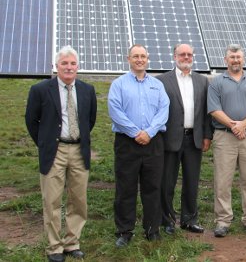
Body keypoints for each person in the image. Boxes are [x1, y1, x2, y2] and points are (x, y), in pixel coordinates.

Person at [25, 46, 97, 262]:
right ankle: (54, 247)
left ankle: (72, 243)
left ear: (77, 66)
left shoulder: (87, 90)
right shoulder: (40, 89)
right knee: (52, 200)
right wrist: (45, 143)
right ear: (56, 66)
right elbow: (31, 120)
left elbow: (89, 120)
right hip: (53, 151)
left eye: (72, 63)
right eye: (64, 63)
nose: (68, 67)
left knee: (78, 200)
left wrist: (78, 139)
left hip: (78, 150)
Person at [108, 45, 169, 247]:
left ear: (148, 59)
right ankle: (125, 231)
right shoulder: (118, 84)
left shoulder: (157, 85)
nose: (140, 59)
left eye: (143, 56)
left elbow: (164, 110)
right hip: (127, 143)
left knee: (153, 186)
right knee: (126, 187)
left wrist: (149, 132)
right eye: (136, 56)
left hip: (153, 142)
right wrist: (136, 133)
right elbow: (115, 110)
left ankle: (152, 229)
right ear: (129, 59)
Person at [207, 44, 246, 238]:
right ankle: (223, 221)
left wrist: (243, 125)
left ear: (244, 59)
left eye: (238, 57)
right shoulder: (217, 82)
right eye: (232, 57)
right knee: (222, 181)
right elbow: (214, 110)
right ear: (226, 60)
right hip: (224, 137)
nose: (235, 60)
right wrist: (234, 126)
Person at [157, 44, 212, 235]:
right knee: (167, 183)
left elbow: (207, 112)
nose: (186, 57)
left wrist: (206, 135)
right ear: (174, 56)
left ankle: (189, 219)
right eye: (182, 54)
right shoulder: (162, 81)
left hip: (194, 139)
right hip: (170, 139)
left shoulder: (202, 81)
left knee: (191, 181)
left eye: (190, 54)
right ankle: (167, 220)